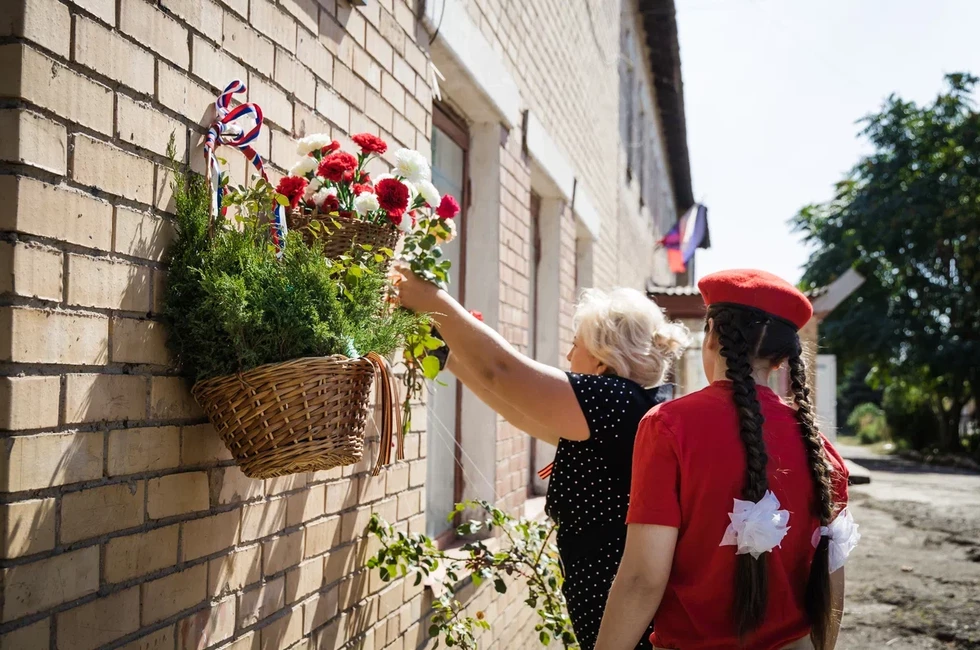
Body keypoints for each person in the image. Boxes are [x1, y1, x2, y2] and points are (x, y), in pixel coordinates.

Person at [390, 262, 689, 650]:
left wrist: (427, 296)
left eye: (575, 345)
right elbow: (520, 408)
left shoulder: (612, 399)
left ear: (602, 358)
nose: (567, 355)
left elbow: (503, 371)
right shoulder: (625, 408)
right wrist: (449, 358)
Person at [595, 269, 860, 650]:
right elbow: (832, 579)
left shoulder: (667, 426)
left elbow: (642, 578)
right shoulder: (820, 449)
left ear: (712, 336)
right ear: (783, 359)